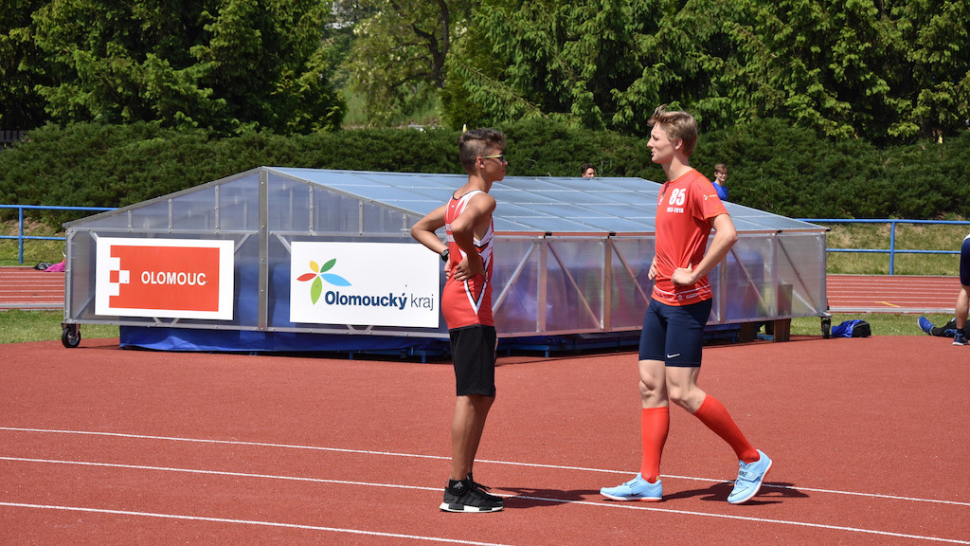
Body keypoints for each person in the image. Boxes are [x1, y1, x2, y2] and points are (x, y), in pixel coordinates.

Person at [600, 105, 771, 505]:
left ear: (677, 144)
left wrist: (694, 273)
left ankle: (752, 458)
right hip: (660, 301)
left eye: (656, 138)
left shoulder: (697, 185)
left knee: (683, 391)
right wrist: (662, 264)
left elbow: (727, 234)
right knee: (649, 387)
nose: (649, 144)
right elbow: (678, 239)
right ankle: (648, 479)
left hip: (686, 304)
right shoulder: (665, 188)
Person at [411, 128, 508, 513]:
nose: (506, 163)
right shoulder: (484, 199)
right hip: (469, 303)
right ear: (481, 162)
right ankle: (455, 487)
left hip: (464, 302)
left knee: (481, 393)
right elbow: (461, 229)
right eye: (501, 157)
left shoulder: (456, 198)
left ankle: (464, 479)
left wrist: (449, 256)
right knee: (471, 394)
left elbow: (420, 228)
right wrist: (472, 257)